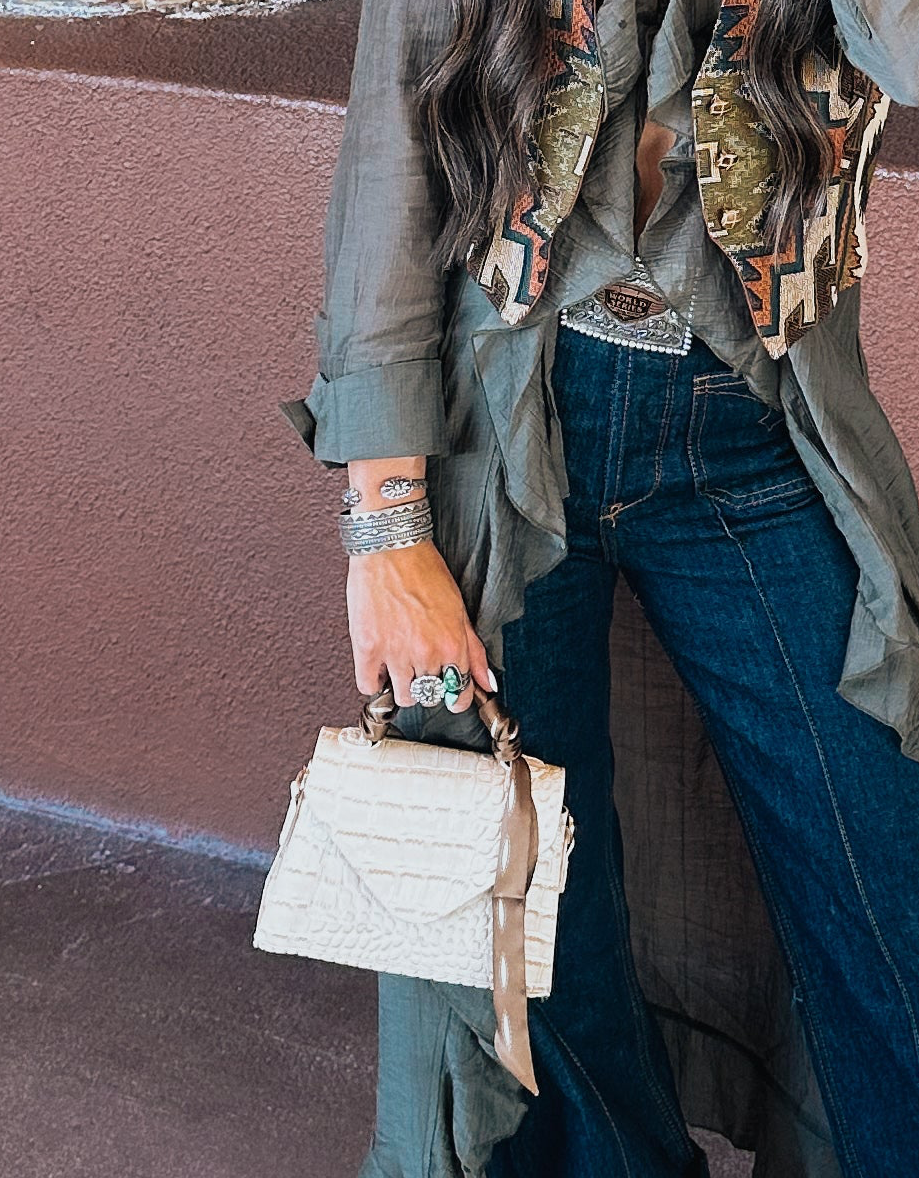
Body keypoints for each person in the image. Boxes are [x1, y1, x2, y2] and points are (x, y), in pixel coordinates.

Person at [281, 1, 919, 1175]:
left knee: (886, 857)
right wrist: (386, 526)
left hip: (755, 422)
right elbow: (391, 165)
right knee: (524, 904)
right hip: (513, 422)